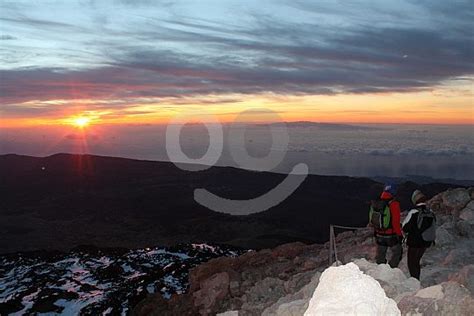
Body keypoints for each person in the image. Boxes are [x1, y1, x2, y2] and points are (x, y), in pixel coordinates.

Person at [402, 190, 436, 280]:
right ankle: (417, 278)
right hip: (426, 241)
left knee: (411, 262)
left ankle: (415, 281)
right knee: (416, 260)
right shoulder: (430, 212)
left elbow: (405, 227)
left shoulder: (413, 212)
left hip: (414, 242)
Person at [368, 184, 403, 268]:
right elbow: (395, 222)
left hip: (379, 233)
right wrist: (399, 234)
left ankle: (380, 269)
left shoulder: (375, 203)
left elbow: (371, 219)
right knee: (398, 252)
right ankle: (391, 269)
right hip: (391, 235)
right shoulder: (394, 204)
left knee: (381, 254)